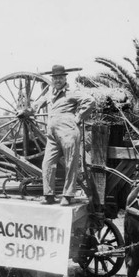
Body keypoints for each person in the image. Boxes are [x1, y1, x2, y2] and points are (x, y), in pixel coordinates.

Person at [33, 65, 95, 206]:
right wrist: (27, 111)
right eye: (55, 78)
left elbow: (90, 101)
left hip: (68, 132)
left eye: (60, 78)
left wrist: (79, 117)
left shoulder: (72, 92)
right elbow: (37, 105)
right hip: (52, 135)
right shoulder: (50, 94)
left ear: (65, 78)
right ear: (52, 79)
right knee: (47, 163)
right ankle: (48, 195)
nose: (58, 80)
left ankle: (68, 195)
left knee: (70, 163)